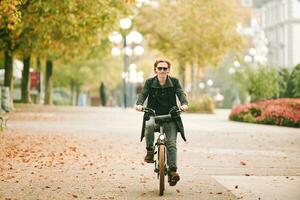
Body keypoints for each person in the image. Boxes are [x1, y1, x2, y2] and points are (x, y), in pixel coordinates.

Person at [135, 59, 188, 186]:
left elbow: (181, 93)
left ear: (168, 70)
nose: (162, 71)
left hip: (170, 117)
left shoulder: (174, 82)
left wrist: (184, 103)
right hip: (153, 115)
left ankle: (173, 172)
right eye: (160, 68)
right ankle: (149, 150)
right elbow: (143, 94)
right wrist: (139, 104)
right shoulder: (149, 82)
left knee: (171, 144)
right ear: (156, 70)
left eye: (165, 68)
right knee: (148, 124)